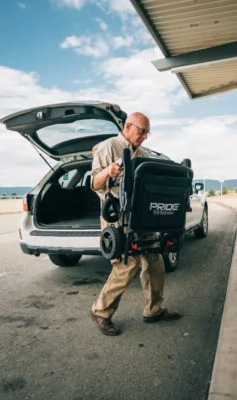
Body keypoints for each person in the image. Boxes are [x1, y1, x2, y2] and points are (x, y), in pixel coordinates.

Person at [89, 111, 181, 336]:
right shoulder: (107, 147)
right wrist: (108, 171)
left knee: (155, 261)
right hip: (117, 216)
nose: (144, 137)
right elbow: (94, 183)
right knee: (126, 264)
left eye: (147, 133)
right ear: (128, 127)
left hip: (141, 216)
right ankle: (101, 311)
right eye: (142, 132)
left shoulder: (140, 153)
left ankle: (154, 309)